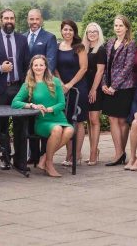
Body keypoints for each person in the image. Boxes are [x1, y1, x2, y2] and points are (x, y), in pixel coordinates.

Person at [0, 8, 30, 171]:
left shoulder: (22, 40)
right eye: (6, 18)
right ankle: (5, 158)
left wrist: (26, 87)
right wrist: (0, 68)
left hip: (18, 88)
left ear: (15, 20)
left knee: (20, 126)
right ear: (0, 20)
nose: (9, 21)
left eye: (12, 18)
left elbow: (27, 64)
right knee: (2, 127)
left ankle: (20, 160)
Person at [12, 55, 74, 178]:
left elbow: (62, 103)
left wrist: (51, 109)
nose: (39, 67)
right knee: (57, 129)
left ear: (45, 66)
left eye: (41, 65)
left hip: (58, 117)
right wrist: (32, 105)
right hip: (42, 121)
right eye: (36, 65)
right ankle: (49, 164)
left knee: (70, 130)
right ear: (32, 67)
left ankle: (44, 158)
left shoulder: (55, 81)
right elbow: (15, 102)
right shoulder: (29, 84)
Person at [102, 15, 137, 166]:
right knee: (112, 119)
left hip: (124, 87)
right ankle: (118, 153)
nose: (117, 28)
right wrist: (104, 84)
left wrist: (114, 86)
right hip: (108, 86)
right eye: (116, 25)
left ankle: (121, 152)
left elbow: (127, 67)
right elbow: (105, 65)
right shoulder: (109, 42)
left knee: (122, 121)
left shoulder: (131, 44)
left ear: (126, 27)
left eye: (120, 26)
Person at [54, 20, 88, 166]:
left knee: (78, 121)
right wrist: (61, 83)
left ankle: (77, 154)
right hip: (62, 88)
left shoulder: (79, 48)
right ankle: (69, 155)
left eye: (70, 30)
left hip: (78, 88)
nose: (67, 32)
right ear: (61, 31)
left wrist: (70, 84)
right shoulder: (57, 47)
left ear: (74, 32)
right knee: (66, 121)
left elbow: (83, 68)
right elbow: (54, 67)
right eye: (65, 30)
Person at [82, 22, 106, 165]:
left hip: (94, 88)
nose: (91, 34)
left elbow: (100, 71)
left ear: (99, 33)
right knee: (89, 121)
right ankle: (93, 150)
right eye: (89, 31)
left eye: (94, 31)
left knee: (95, 119)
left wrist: (94, 89)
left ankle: (93, 152)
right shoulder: (84, 49)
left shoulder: (100, 50)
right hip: (84, 87)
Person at [25, 8, 58, 72]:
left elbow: (51, 63)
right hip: (24, 79)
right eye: (31, 19)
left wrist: (41, 80)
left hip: (41, 79)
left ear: (42, 20)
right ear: (27, 20)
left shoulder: (50, 38)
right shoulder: (23, 37)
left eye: (37, 19)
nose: (34, 22)